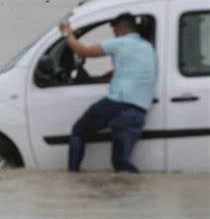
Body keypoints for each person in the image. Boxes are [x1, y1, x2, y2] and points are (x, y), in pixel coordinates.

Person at [60, 13, 157, 173]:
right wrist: (105, 76)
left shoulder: (120, 42)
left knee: (79, 131)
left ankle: (73, 176)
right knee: (120, 164)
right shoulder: (148, 48)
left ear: (120, 29)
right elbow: (131, 69)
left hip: (118, 103)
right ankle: (141, 190)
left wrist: (67, 33)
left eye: (114, 32)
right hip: (139, 110)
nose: (114, 35)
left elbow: (83, 51)